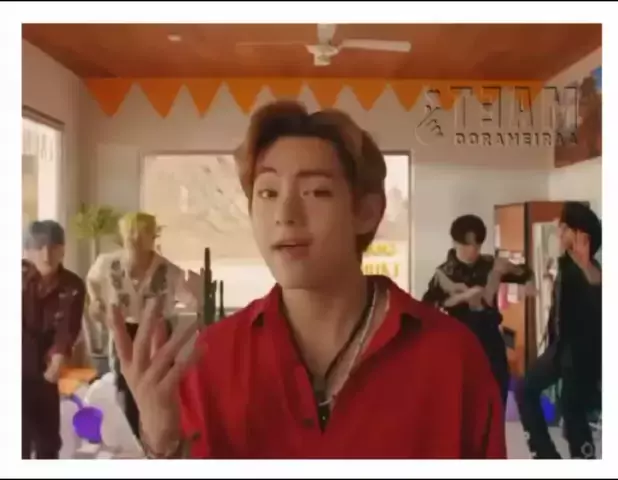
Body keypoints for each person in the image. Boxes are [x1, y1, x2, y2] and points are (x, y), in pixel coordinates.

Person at [109, 101, 506, 459]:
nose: (285, 214)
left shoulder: (452, 358)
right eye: (267, 193)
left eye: (316, 192)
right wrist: (160, 444)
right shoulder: (210, 358)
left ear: (366, 212)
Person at [85, 212, 197, 441]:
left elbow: (189, 299)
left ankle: (155, 437)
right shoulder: (108, 263)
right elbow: (92, 281)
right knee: (125, 386)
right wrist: (96, 301)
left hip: (156, 333)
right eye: (130, 236)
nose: (134, 241)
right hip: (123, 331)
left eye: (140, 236)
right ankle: (135, 437)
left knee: (156, 387)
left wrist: (196, 297)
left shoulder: (168, 270)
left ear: (152, 237)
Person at [516, 202, 602, 459]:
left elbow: (598, 287)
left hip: (583, 354)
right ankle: (546, 456)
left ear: (580, 234)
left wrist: (585, 265)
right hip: (560, 349)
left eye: (565, 228)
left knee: (572, 411)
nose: (559, 232)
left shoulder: (591, 268)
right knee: (526, 389)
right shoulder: (564, 263)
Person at [421, 214, 535, 406]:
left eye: (477, 245)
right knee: (463, 400)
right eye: (467, 245)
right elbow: (427, 307)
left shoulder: (490, 264)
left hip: (490, 338)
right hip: (459, 342)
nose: (473, 251)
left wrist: (522, 276)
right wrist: (461, 298)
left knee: (497, 392)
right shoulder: (444, 273)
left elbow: (524, 273)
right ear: (455, 242)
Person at [22, 220, 86, 459]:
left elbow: (67, 327)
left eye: (53, 247)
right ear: (28, 251)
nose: (46, 255)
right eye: (39, 248)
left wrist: (59, 355)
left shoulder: (73, 285)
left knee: (47, 440)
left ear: (63, 250)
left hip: (46, 368)